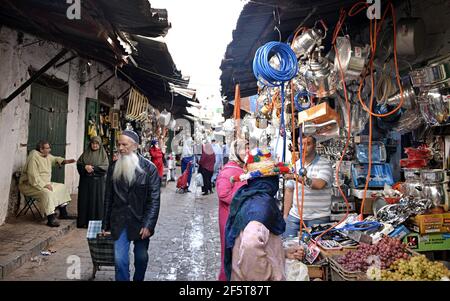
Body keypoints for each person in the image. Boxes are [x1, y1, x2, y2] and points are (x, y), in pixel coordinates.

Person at [224, 148, 293, 281]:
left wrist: (282, 252)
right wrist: (267, 275)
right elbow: (251, 242)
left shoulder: (248, 196)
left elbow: (263, 242)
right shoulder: (261, 204)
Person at [102, 130, 161, 281]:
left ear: (135, 146)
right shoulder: (113, 167)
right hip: (119, 220)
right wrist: (105, 224)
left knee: (141, 258)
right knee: (120, 261)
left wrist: (148, 225)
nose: (120, 148)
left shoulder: (149, 169)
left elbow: (154, 200)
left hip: (140, 221)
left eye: (124, 145)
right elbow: (108, 197)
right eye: (118, 144)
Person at [283, 135, 333, 239]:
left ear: (315, 145)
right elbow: (289, 190)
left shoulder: (325, 164)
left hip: (318, 218)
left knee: (316, 250)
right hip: (295, 217)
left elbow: (319, 184)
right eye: (300, 144)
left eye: (307, 144)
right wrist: (285, 215)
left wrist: (296, 177)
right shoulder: (296, 165)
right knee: (289, 247)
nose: (303, 147)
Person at [19, 140, 76, 227]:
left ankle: (63, 213)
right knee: (47, 193)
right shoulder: (33, 157)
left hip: (45, 183)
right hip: (29, 185)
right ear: (41, 149)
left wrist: (64, 161)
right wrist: (44, 185)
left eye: (49, 147)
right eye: (47, 148)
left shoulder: (46, 156)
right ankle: (50, 218)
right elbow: (32, 176)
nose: (49, 150)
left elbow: (54, 159)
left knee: (62, 187)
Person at [215, 139, 248, 281]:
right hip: (229, 218)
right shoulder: (228, 171)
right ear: (235, 152)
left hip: (237, 218)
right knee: (229, 254)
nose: (247, 151)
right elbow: (223, 194)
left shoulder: (240, 168)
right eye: (243, 149)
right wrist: (242, 193)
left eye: (248, 148)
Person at [76, 136, 109, 228]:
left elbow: (105, 167)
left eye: (97, 144)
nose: (94, 145)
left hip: (97, 184)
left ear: (100, 145)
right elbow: (79, 164)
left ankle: (95, 223)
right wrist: (85, 167)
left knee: (96, 202)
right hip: (85, 183)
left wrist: (93, 168)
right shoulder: (85, 154)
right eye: (93, 143)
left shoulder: (103, 155)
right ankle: (83, 222)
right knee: (84, 201)